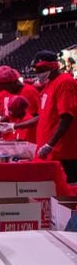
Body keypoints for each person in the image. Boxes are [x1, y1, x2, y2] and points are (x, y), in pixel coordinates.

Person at [32, 50, 77, 182]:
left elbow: (67, 116)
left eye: (41, 69)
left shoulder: (64, 82)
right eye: (35, 69)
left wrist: (50, 144)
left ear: (52, 66)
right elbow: (45, 116)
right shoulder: (48, 84)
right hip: (51, 152)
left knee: (66, 196)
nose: (37, 73)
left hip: (63, 152)